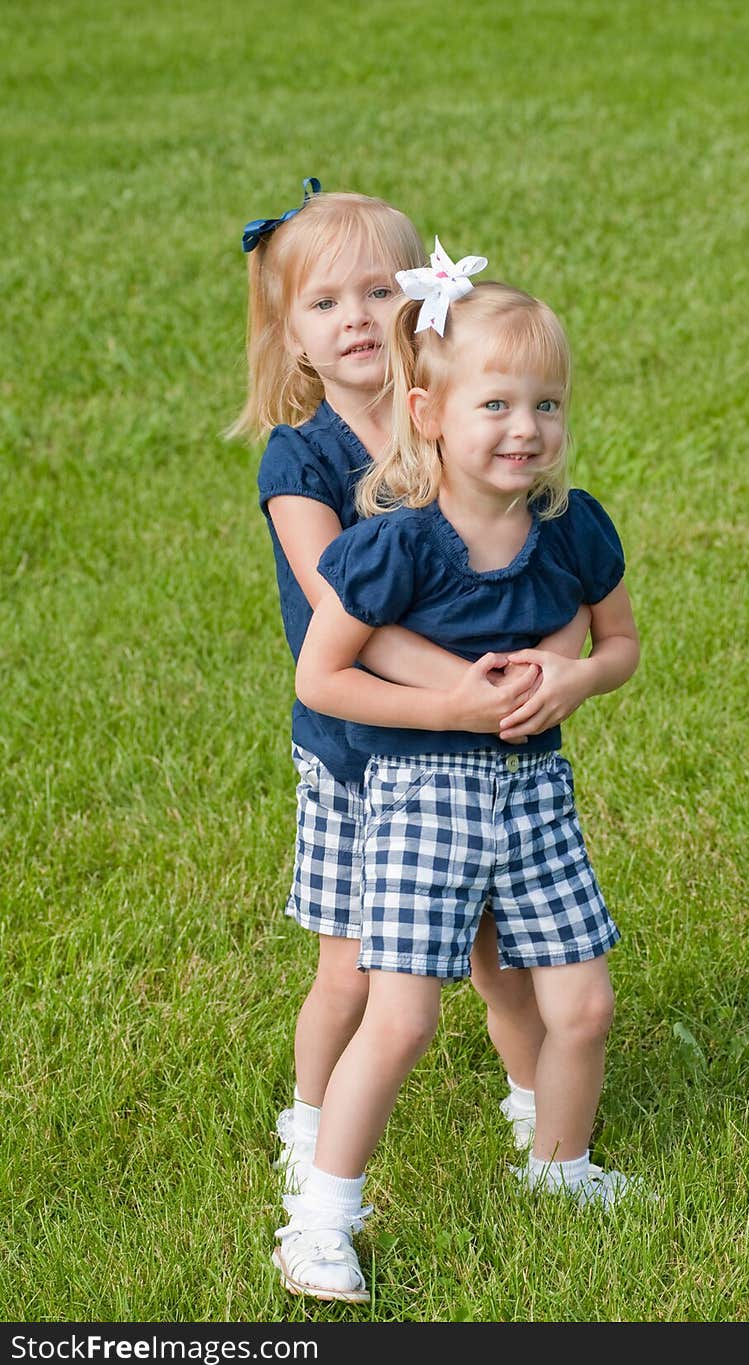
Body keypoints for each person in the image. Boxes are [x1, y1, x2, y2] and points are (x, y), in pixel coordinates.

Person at [277, 244, 645, 1304]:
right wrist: (446, 707)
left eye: (547, 404)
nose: (526, 428)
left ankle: (561, 1171)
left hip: (535, 796)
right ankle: (321, 1219)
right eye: (496, 404)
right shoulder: (397, 546)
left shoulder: (571, 531)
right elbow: (323, 676)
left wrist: (572, 681)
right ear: (429, 413)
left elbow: (617, 645)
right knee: (403, 1017)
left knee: (581, 1006)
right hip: (418, 800)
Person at [228, 182, 594, 1203]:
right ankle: (310, 1121)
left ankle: (536, 1099)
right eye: (323, 302)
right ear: (291, 335)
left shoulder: (454, 425)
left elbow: (542, 560)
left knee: (494, 950)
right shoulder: (302, 461)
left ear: (415, 306)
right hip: (358, 745)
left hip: (468, 749)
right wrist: (472, 693)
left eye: (374, 291)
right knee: (352, 969)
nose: (353, 318)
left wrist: (543, 670)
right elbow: (345, 609)